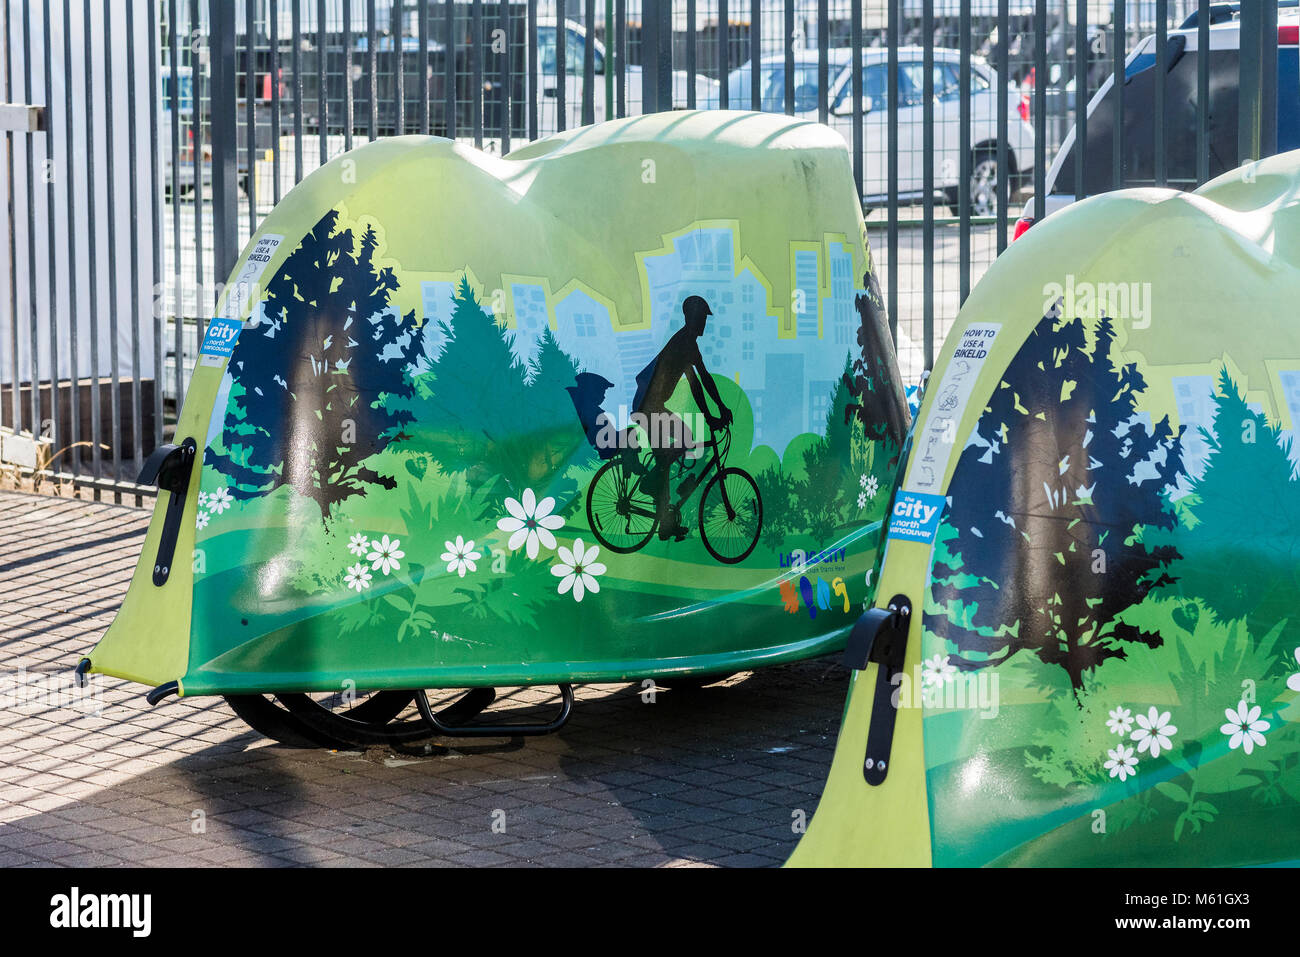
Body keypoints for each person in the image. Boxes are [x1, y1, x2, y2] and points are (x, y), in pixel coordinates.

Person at [631, 295, 733, 541]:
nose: (703, 323)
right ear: (690, 318)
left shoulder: (687, 343)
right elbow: (699, 383)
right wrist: (714, 413)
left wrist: (717, 409)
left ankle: (665, 521)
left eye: (705, 319)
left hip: (651, 405)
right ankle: (650, 483)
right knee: (682, 440)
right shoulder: (684, 343)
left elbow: (699, 381)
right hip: (649, 406)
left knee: (672, 453)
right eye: (701, 318)